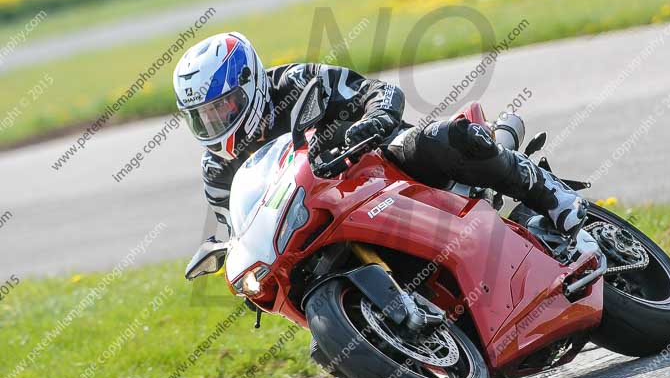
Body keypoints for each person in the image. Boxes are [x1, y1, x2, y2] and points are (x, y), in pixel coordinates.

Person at [173, 31, 586, 247]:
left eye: (222, 108)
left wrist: (374, 120)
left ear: (251, 85)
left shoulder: (298, 82)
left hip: (378, 165)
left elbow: (378, 91)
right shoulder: (217, 172)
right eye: (202, 118)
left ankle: (550, 193)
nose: (215, 123)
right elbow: (235, 231)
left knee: (444, 137)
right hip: (319, 213)